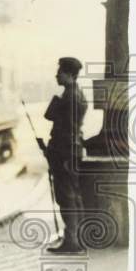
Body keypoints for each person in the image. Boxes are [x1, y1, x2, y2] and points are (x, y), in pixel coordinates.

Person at [41, 56, 88, 253]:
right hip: (71, 150)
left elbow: (51, 116)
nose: (56, 74)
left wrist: (52, 151)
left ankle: (72, 242)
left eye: (60, 71)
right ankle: (78, 239)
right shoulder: (76, 94)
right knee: (74, 195)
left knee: (66, 197)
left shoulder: (69, 97)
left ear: (69, 74)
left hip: (64, 151)